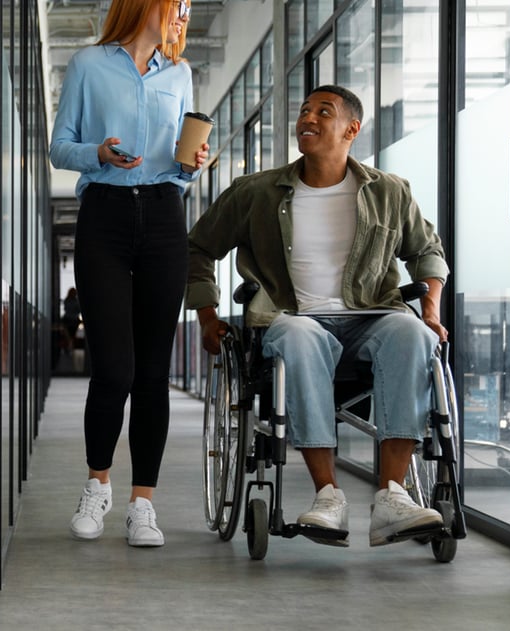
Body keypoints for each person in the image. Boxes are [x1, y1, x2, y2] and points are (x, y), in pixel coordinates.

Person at [187, 85, 448, 548]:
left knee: (412, 334)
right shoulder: (256, 193)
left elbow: (427, 250)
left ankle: (392, 495)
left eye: (322, 112)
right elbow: (198, 247)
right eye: (304, 110)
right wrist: (208, 317)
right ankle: (328, 495)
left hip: (373, 317)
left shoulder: (388, 192)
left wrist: (429, 310)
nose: (307, 117)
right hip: (292, 318)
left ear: (352, 128)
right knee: (298, 335)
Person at [49, 0, 207, 548]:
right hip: (105, 221)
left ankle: (144, 503)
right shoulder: (89, 65)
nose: (183, 13)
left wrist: (191, 165)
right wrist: (98, 153)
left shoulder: (181, 72)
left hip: (164, 216)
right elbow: (58, 147)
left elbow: (180, 159)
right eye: (178, 5)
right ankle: (97, 486)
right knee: (113, 369)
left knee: (152, 374)